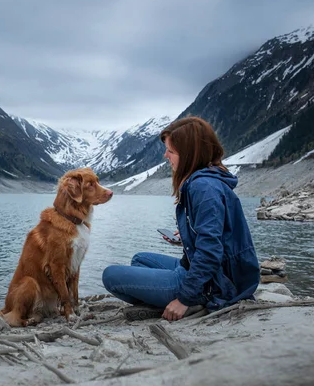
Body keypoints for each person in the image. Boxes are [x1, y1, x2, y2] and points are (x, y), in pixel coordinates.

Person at [102, 116, 260, 321]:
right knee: (139, 259)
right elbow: (216, 236)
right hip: (210, 272)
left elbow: (211, 252)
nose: (166, 155)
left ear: (189, 155)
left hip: (215, 284)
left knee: (110, 276)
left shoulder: (203, 188)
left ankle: (193, 303)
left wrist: (183, 299)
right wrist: (188, 236)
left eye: (171, 151)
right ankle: (177, 296)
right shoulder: (208, 179)